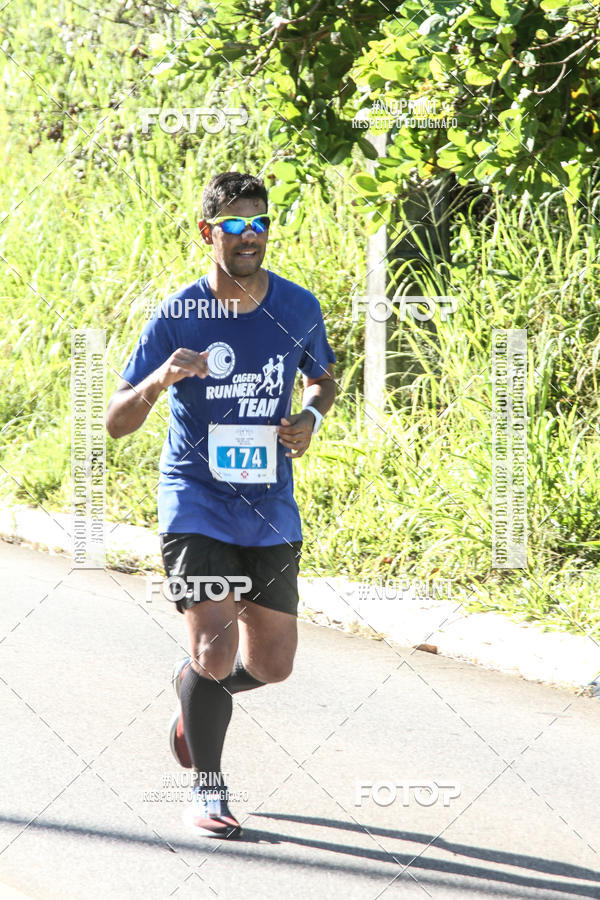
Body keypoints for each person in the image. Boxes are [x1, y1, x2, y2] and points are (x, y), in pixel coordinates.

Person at [106, 172, 336, 838]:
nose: (250, 237)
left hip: (269, 506)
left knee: (274, 664)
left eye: (260, 224)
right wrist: (163, 376)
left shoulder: (297, 308)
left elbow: (322, 381)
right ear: (208, 233)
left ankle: (194, 693)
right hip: (195, 501)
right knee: (214, 648)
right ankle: (208, 789)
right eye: (235, 226)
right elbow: (117, 420)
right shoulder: (178, 314)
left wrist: (310, 421)